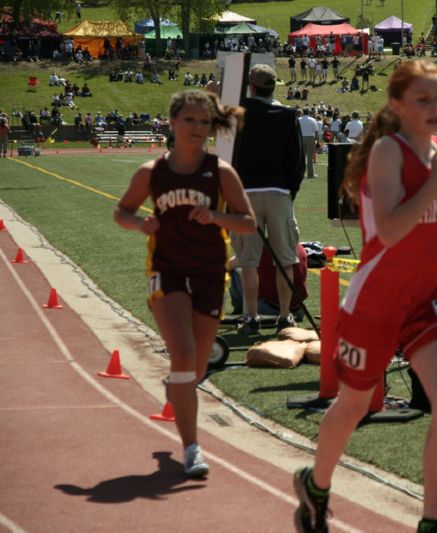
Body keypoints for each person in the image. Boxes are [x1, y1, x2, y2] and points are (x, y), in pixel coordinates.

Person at [293, 60, 437, 533]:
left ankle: (432, 521)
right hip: (378, 298)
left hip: (429, 297)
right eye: (423, 99)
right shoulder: (389, 154)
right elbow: (390, 230)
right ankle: (316, 484)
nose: (435, 108)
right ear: (397, 105)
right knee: (355, 404)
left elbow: (421, 220)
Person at [113, 90, 256, 478]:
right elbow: (121, 211)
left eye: (204, 122)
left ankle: (178, 389)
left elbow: (248, 222)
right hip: (167, 270)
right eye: (189, 120)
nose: (197, 128)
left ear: (212, 127)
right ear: (172, 123)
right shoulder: (151, 172)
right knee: (183, 356)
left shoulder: (220, 172)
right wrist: (139, 222)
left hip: (210, 272)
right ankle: (192, 448)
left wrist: (215, 216)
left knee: (193, 370)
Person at [231, 64, 305, 335]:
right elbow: (296, 161)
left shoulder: (239, 113)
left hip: (245, 192)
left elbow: (229, 154)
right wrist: (289, 193)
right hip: (278, 193)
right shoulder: (287, 115)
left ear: (251, 86)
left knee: (248, 260)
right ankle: (284, 317)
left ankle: (251, 318)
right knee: (285, 258)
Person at [298, 108, 320, 179]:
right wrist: (318, 141)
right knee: (310, 158)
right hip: (310, 138)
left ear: (303, 112)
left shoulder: (299, 119)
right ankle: (310, 174)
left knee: (301, 158)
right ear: (309, 112)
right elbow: (316, 131)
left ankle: (301, 173)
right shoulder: (312, 120)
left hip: (301, 138)